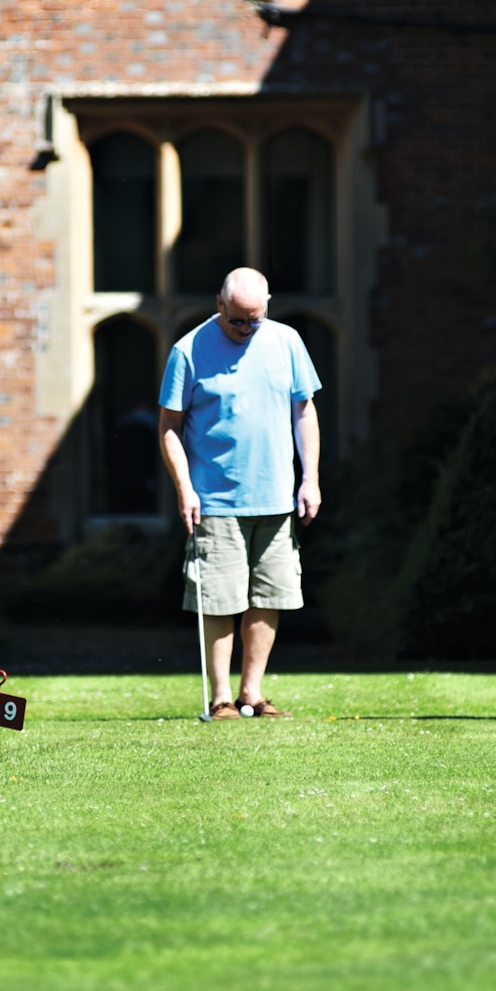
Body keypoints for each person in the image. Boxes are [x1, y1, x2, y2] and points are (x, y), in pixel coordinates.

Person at [158, 266, 322, 718]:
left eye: (256, 319)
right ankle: (221, 697)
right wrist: (185, 488)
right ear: (219, 304)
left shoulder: (287, 341)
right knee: (220, 598)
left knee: (270, 596)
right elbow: (169, 428)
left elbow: (304, 413)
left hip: (277, 497)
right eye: (238, 320)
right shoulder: (187, 350)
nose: (248, 329)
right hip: (214, 500)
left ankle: (253, 691)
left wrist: (310, 478)